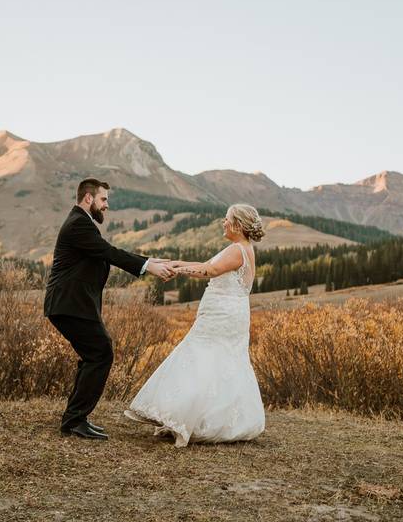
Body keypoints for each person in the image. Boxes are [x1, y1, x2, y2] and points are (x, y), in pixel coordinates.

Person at [124, 203, 266, 447]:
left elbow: (208, 271)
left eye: (226, 219)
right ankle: (193, 418)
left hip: (222, 316)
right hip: (227, 313)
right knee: (216, 360)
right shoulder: (240, 248)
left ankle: (186, 420)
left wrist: (180, 272)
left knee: (202, 357)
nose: (223, 223)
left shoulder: (237, 250)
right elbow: (204, 264)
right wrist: (176, 263)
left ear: (238, 225)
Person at [44, 178, 174, 440]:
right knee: (100, 353)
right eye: (104, 199)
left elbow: (104, 254)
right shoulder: (78, 224)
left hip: (72, 305)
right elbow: (108, 252)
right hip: (69, 304)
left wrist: (149, 261)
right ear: (88, 198)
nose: (107, 205)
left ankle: (75, 419)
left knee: (94, 354)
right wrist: (146, 266)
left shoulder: (81, 223)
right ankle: (74, 420)